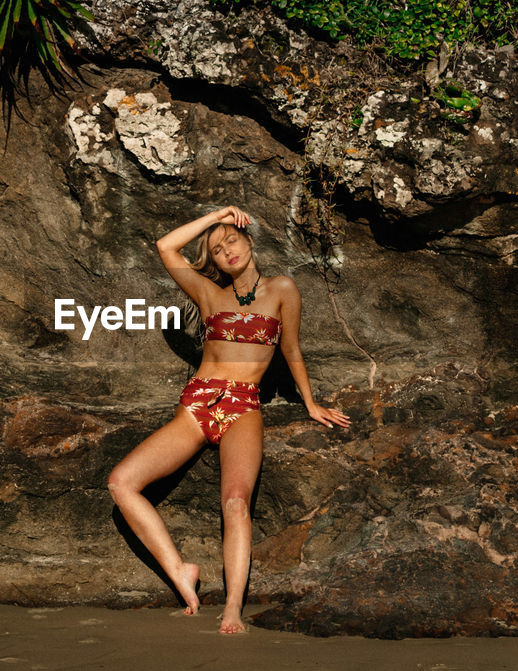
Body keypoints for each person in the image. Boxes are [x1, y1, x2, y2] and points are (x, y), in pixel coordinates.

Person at [107, 205, 350, 634]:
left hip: (242, 407)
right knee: (121, 482)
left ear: (250, 240)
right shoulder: (208, 295)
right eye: (217, 251)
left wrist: (311, 403)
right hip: (197, 406)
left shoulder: (282, 290)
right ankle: (181, 570)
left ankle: (233, 607)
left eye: (231, 241)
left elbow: (291, 350)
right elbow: (166, 246)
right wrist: (217, 216)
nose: (227, 253)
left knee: (236, 501)